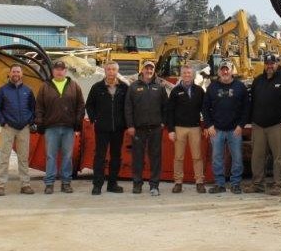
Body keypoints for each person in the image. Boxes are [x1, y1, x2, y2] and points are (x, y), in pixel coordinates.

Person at [246, 53, 281, 196]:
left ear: (277, 63)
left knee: (279, 158)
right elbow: (253, 102)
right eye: (267, 63)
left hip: (278, 127)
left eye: (272, 63)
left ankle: (279, 185)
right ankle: (258, 184)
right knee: (257, 157)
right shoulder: (258, 81)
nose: (269, 66)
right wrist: (252, 121)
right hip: (259, 126)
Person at [35, 60, 85, 194]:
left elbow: (81, 105)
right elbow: (39, 106)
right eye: (56, 69)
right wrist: (39, 122)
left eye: (61, 69)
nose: (59, 71)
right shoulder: (45, 87)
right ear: (52, 71)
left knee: (67, 156)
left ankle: (66, 183)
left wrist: (77, 122)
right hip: (51, 128)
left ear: (65, 71)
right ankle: (49, 183)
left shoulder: (74, 86)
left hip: (69, 128)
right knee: (51, 156)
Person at [203, 60, 250, 194]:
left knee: (237, 158)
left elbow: (246, 108)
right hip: (216, 130)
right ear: (219, 72)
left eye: (227, 69)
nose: (225, 72)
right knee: (217, 158)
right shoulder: (212, 87)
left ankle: (235, 184)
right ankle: (219, 184)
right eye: (222, 69)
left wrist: (241, 125)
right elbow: (205, 108)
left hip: (234, 130)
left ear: (231, 71)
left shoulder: (240, 87)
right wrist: (209, 125)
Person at [85, 61, 129, 195]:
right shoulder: (97, 87)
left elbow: (128, 107)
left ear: (117, 71)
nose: (111, 72)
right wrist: (94, 119)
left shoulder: (124, 88)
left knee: (116, 157)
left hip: (118, 129)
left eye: (113, 69)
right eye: (108, 69)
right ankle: (97, 185)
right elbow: (89, 105)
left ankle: (112, 184)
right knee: (100, 156)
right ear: (105, 71)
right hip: (102, 128)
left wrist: (125, 123)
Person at [0, 64, 36, 196]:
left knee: (23, 157)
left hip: (24, 128)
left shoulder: (28, 91)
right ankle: (0, 186)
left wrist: (30, 121)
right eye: (13, 72)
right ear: (9, 74)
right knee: (4, 157)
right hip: (8, 128)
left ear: (21, 75)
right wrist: (3, 122)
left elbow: (33, 109)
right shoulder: (2, 91)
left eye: (18, 72)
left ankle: (25, 185)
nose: (16, 74)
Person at [125, 60, 167, 196]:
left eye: (151, 69)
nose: (149, 71)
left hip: (155, 128)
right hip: (138, 129)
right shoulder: (133, 87)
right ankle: (137, 184)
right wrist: (130, 125)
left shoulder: (159, 87)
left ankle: (154, 185)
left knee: (155, 157)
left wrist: (163, 122)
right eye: (146, 68)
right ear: (142, 70)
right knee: (137, 157)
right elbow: (128, 107)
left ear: (154, 70)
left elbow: (165, 106)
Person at [165, 64, 206, 194]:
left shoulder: (199, 91)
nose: (187, 75)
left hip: (195, 128)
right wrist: (170, 130)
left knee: (197, 156)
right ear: (181, 74)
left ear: (193, 75)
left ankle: (199, 182)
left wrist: (204, 127)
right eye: (185, 73)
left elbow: (204, 110)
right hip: (179, 128)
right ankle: (178, 182)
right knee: (178, 157)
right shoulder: (175, 91)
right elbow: (169, 112)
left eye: (189, 73)